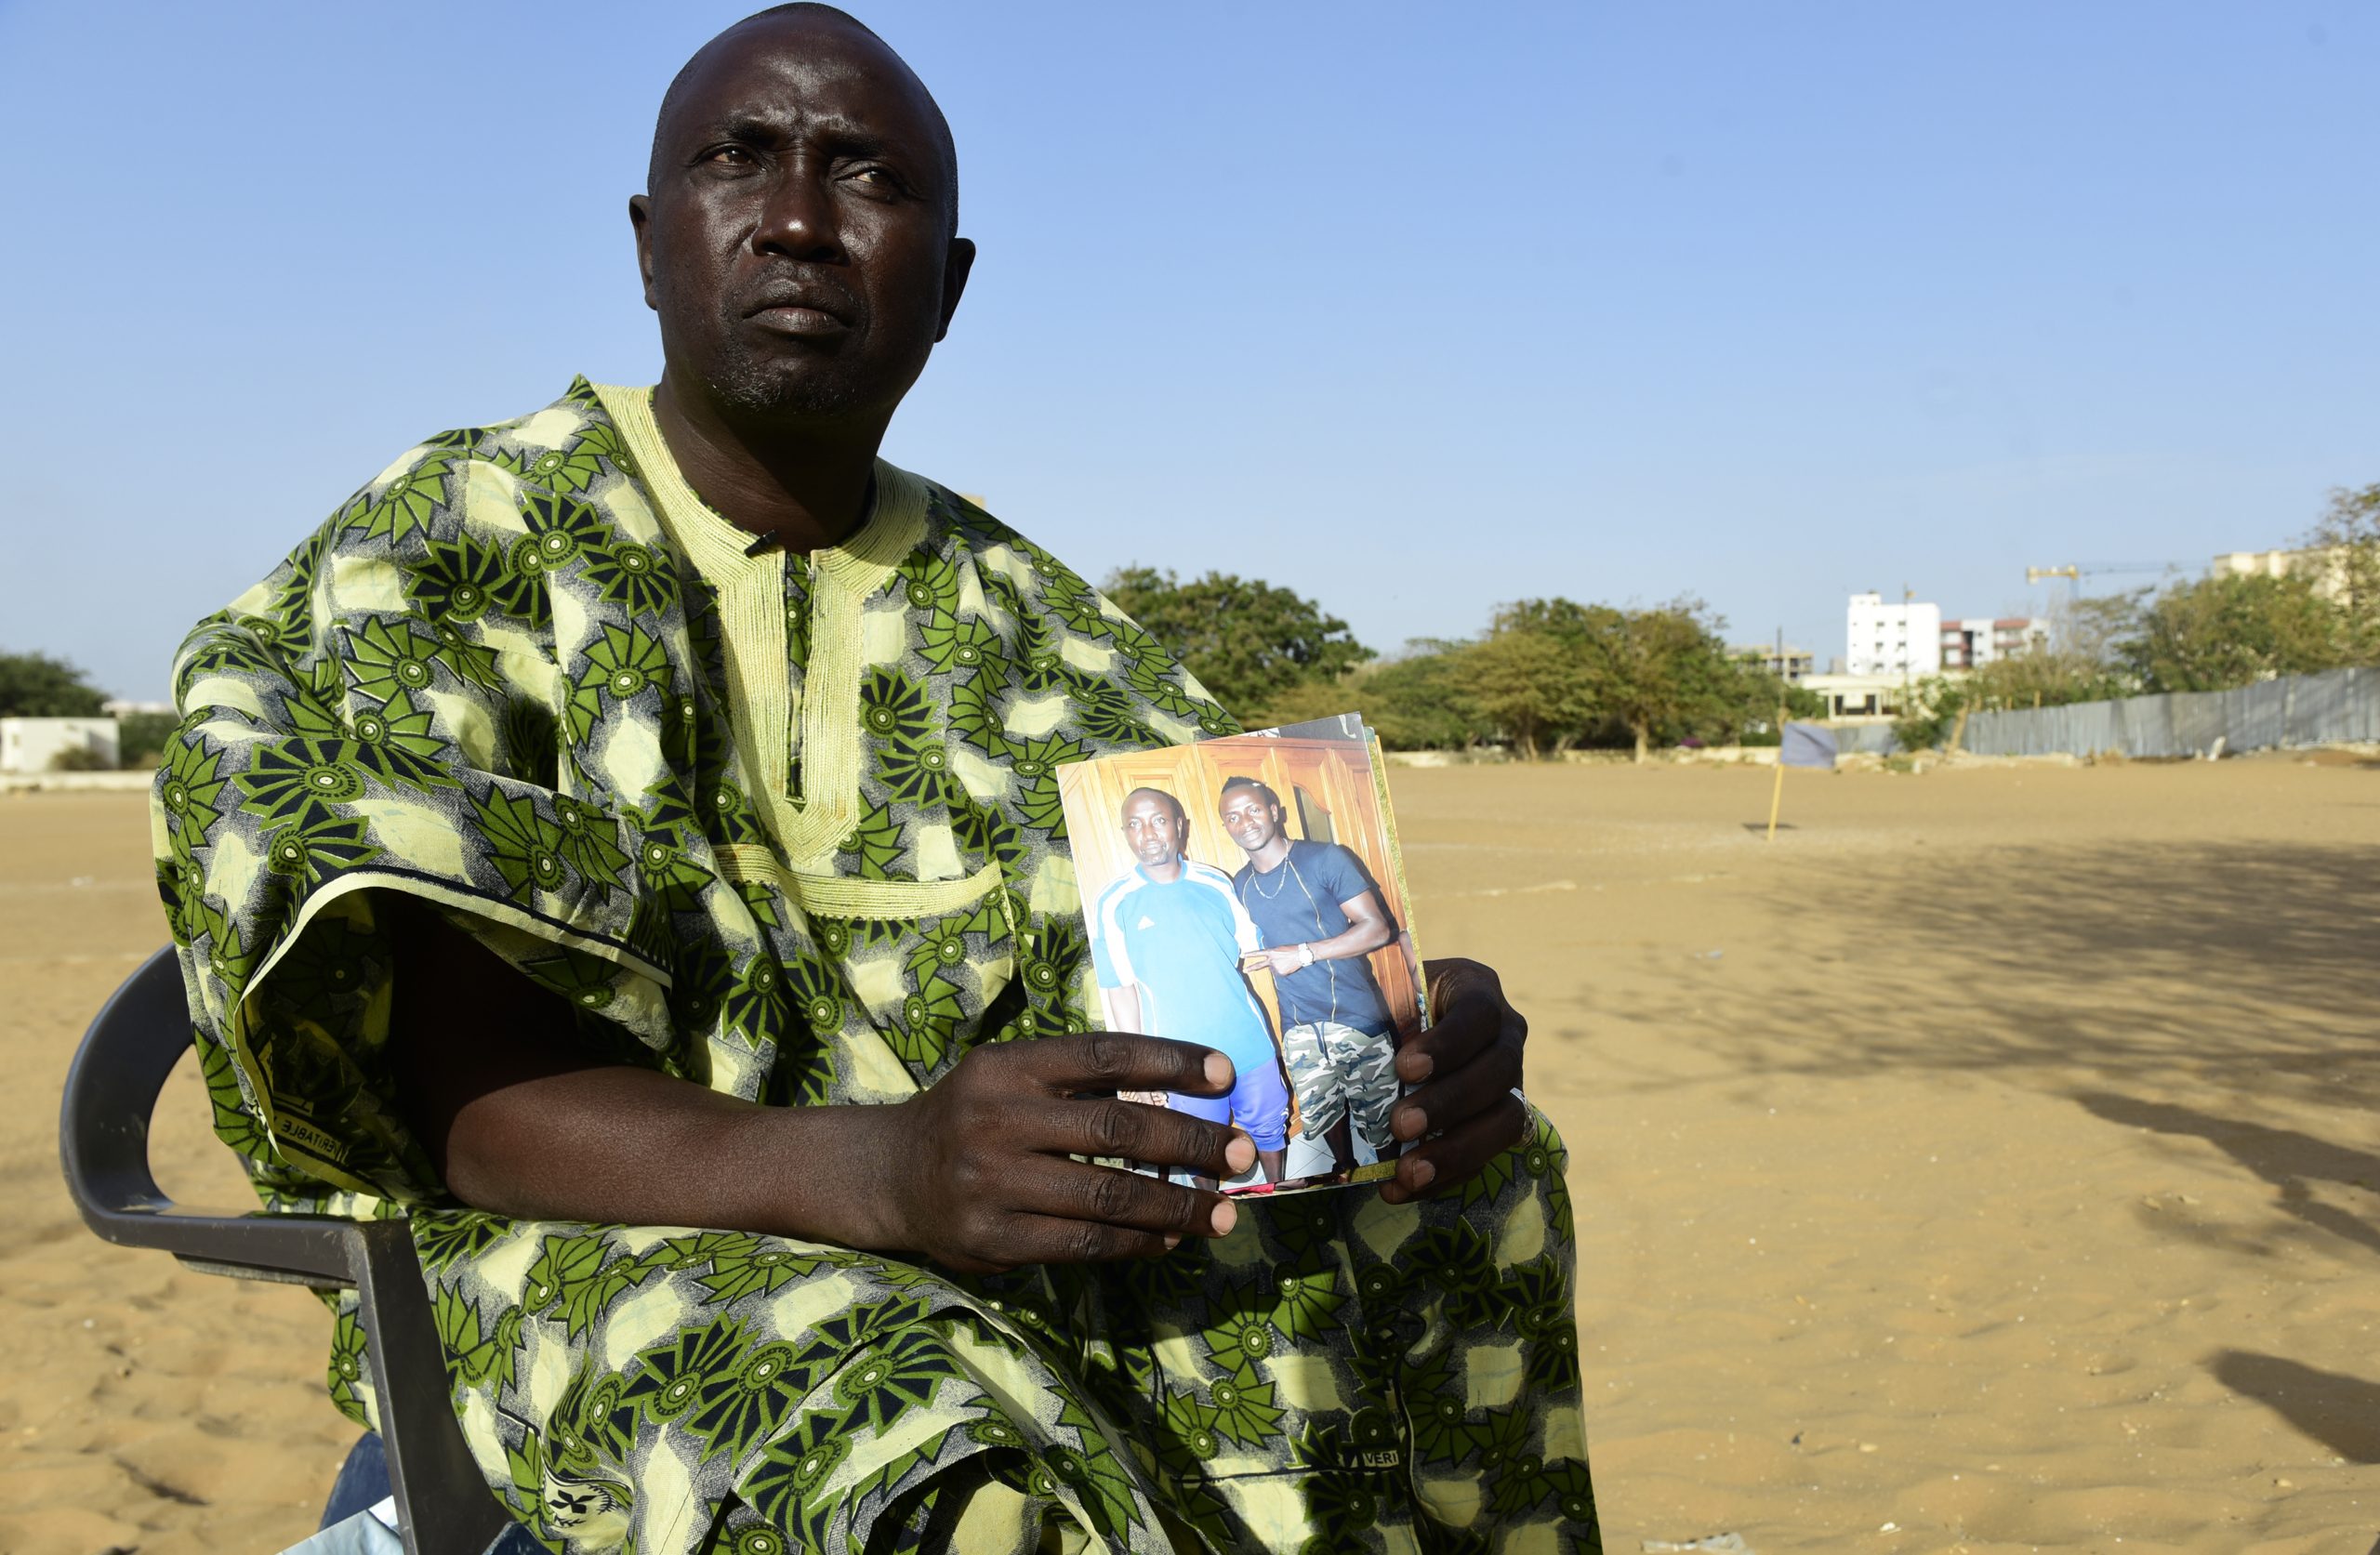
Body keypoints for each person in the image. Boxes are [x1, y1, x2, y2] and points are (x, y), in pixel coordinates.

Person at [149, 6, 1600, 1551]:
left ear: (951, 283)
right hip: (580, 1244)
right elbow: (473, 1115)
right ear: (651, 244)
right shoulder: (452, 553)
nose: (796, 221)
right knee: (906, 1411)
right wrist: (880, 1169)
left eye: (869, 180)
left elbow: (1202, 1001)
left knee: (1448, 1205)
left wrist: (1394, 1041)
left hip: (967, 1229)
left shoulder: (1047, 634)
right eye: (739, 161)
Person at [1089, 787, 1291, 1185]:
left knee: (1270, 1127)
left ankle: (1279, 1192)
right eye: (1134, 824)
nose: (1147, 833)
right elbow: (1120, 990)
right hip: (1182, 1060)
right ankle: (1213, 1211)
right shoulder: (1113, 902)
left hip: (1248, 1040)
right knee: (1201, 1146)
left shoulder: (1215, 882)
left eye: (1159, 820)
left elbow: (1253, 947)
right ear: (1125, 834)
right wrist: (1137, 1070)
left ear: (1180, 826)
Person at [1219, 775, 1407, 1178]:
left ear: (1274, 811)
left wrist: (1303, 954)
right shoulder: (1240, 884)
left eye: (1253, 809)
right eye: (1233, 816)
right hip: (1299, 1025)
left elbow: (1378, 928)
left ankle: (1393, 1176)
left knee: (1381, 1119)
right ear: (1226, 827)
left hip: (1355, 1015)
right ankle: (1344, 1168)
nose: (1245, 821)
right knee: (1323, 1112)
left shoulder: (1326, 858)